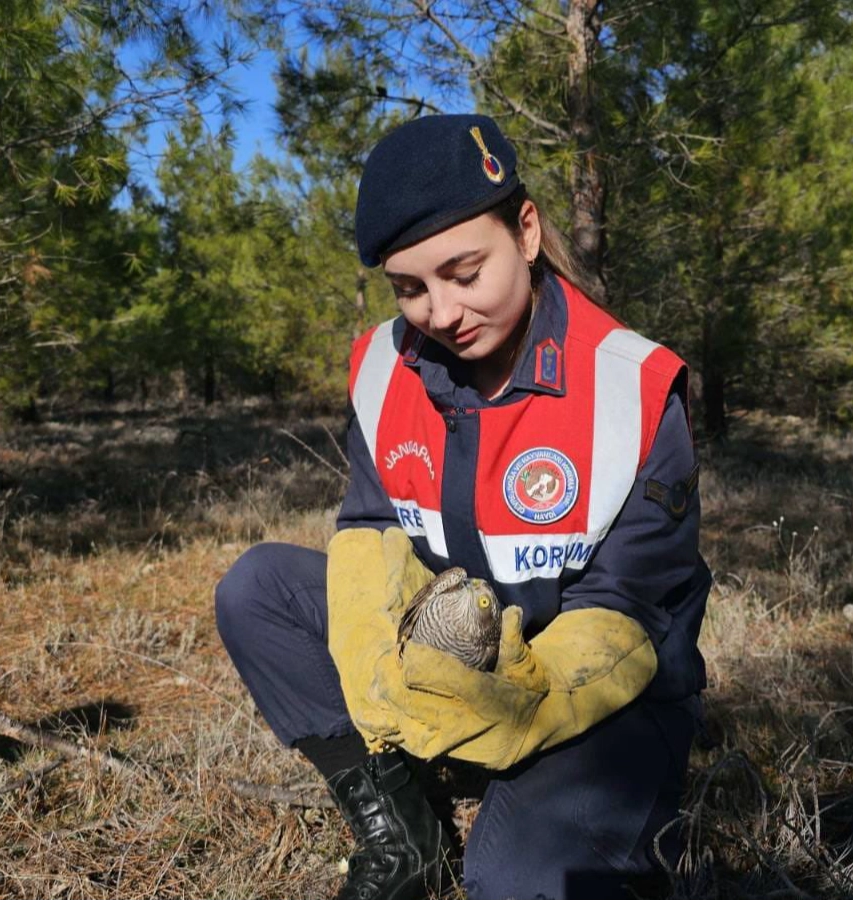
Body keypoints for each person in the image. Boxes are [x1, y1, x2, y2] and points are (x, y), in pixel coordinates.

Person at [214, 113, 711, 901]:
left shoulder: (632, 386)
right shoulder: (385, 367)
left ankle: (563, 807)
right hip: (448, 659)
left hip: (593, 701)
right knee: (259, 588)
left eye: (463, 271)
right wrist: (378, 671)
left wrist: (526, 704)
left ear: (524, 229)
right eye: (409, 288)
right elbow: (371, 530)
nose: (440, 312)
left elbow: (627, 607)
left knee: (517, 882)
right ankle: (404, 827)